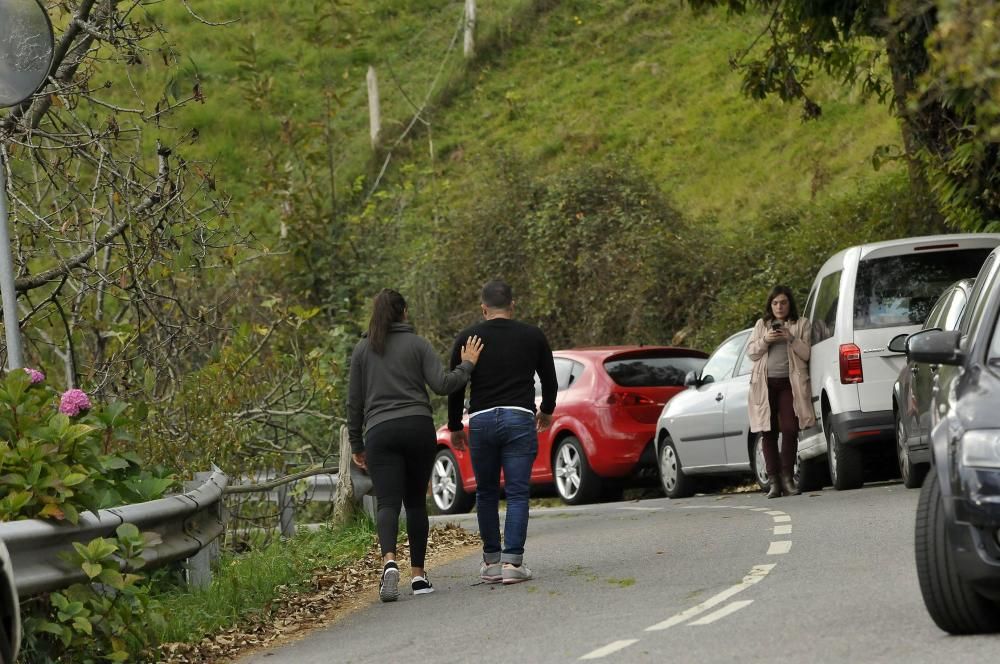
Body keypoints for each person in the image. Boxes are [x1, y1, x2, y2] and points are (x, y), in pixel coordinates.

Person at [347, 289, 484, 602]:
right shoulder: (418, 345)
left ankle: (389, 561)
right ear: (404, 312)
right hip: (417, 428)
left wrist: (357, 441)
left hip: (380, 431)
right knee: (415, 503)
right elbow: (442, 385)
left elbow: (354, 402)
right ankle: (419, 576)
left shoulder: (362, 350)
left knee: (387, 503)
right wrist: (467, 365)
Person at [448, 280, 557, 584]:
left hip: (481, 420)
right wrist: (547, 410)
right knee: (518, 491)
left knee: (485, 492)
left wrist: (455, 425)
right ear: (513, 305)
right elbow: (549, 379)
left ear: (483, 308)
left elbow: (456, 386)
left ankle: (491, 562)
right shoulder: (532, 336)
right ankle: (513, 563)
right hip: (519, 418)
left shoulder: (468, 338)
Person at [746, 285, 815, 498]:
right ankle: (774, 482)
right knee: (767, 431)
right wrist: (766, 339)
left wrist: (790, 338)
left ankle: (787, 478)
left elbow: (806, 354)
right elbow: (751, 353)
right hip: (765, 384)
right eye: (775, 303)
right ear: (770, 305)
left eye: (783, 302)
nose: (779, 307)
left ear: (789, 304)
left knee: (790, 429)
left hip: (789, 384)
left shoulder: (801, 324)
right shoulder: (762, 325)